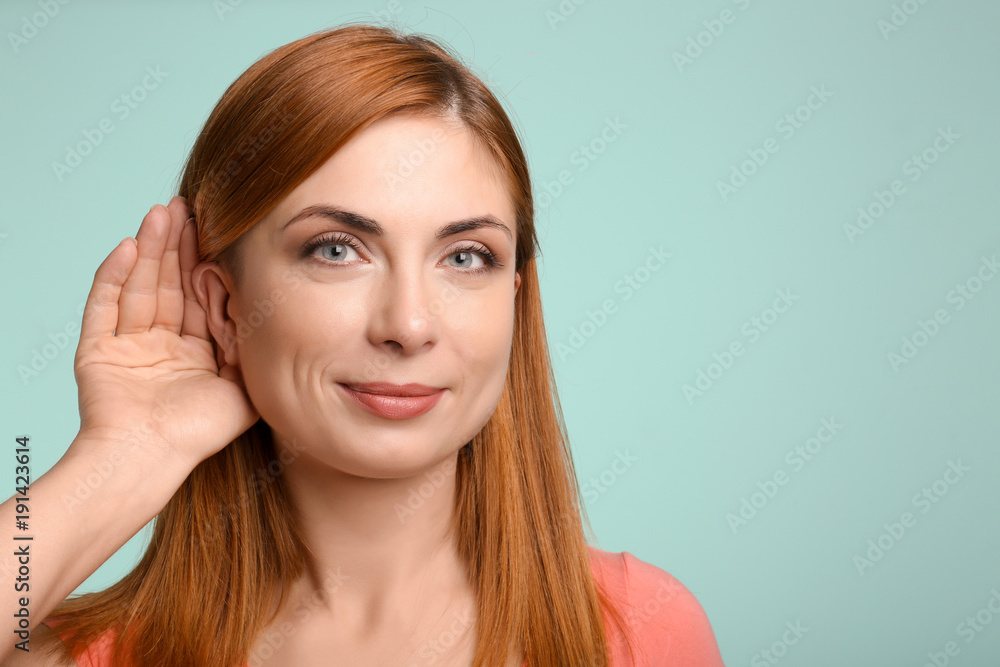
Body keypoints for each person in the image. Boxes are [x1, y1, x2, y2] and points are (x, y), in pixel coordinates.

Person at [1, 23, 725, 667]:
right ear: (224, 307)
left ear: (514, 299)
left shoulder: (641, 633)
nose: (408, 325)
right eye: (337, 249)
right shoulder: (79, 655)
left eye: (466, 256)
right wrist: (127, 454)